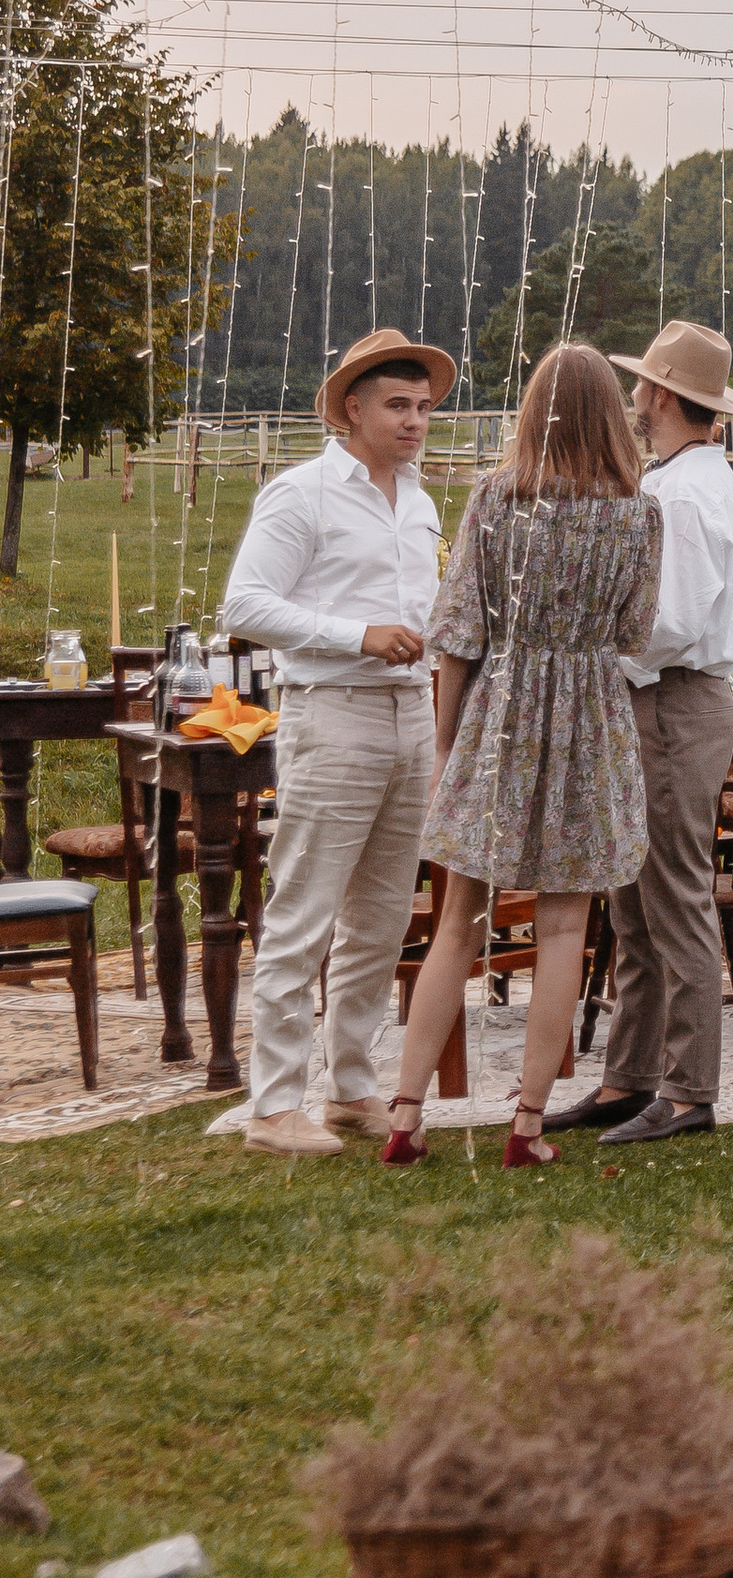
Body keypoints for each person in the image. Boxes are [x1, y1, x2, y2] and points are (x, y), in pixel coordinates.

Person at [379, 345, 662, 1166]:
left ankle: (404, 1115)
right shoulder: (639, 511)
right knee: (564, 926)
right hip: (589, 719)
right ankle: (529, 1126)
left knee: (456, 925)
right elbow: (634, 632)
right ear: (613, 414)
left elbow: (458, 631)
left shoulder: (498, 499)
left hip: (497, 713)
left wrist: (445, 742)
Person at [220, 327, 456, 1159]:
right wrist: (357, 634)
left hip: (411, 718)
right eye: (399, 405)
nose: (415, 421)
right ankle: (274, 1105)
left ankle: (352, 1083)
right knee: (304, 911)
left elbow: (426, 611)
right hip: (334, 710)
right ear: (352, 408)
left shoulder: (423, 501)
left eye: (424, 407)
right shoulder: (303, 493)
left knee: (385, 918)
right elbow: (244, 606)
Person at [548, 318, 733, 1144]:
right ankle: (630, 1078)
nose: (633, 397)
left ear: (663, 395)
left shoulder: (687, 492)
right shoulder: (681, 481)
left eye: (641, 385)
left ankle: (688, 1086)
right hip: (658, 700)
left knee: (671, 897)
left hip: (671, 700)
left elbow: (669, 620)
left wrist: (592, 639)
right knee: (632, 905)